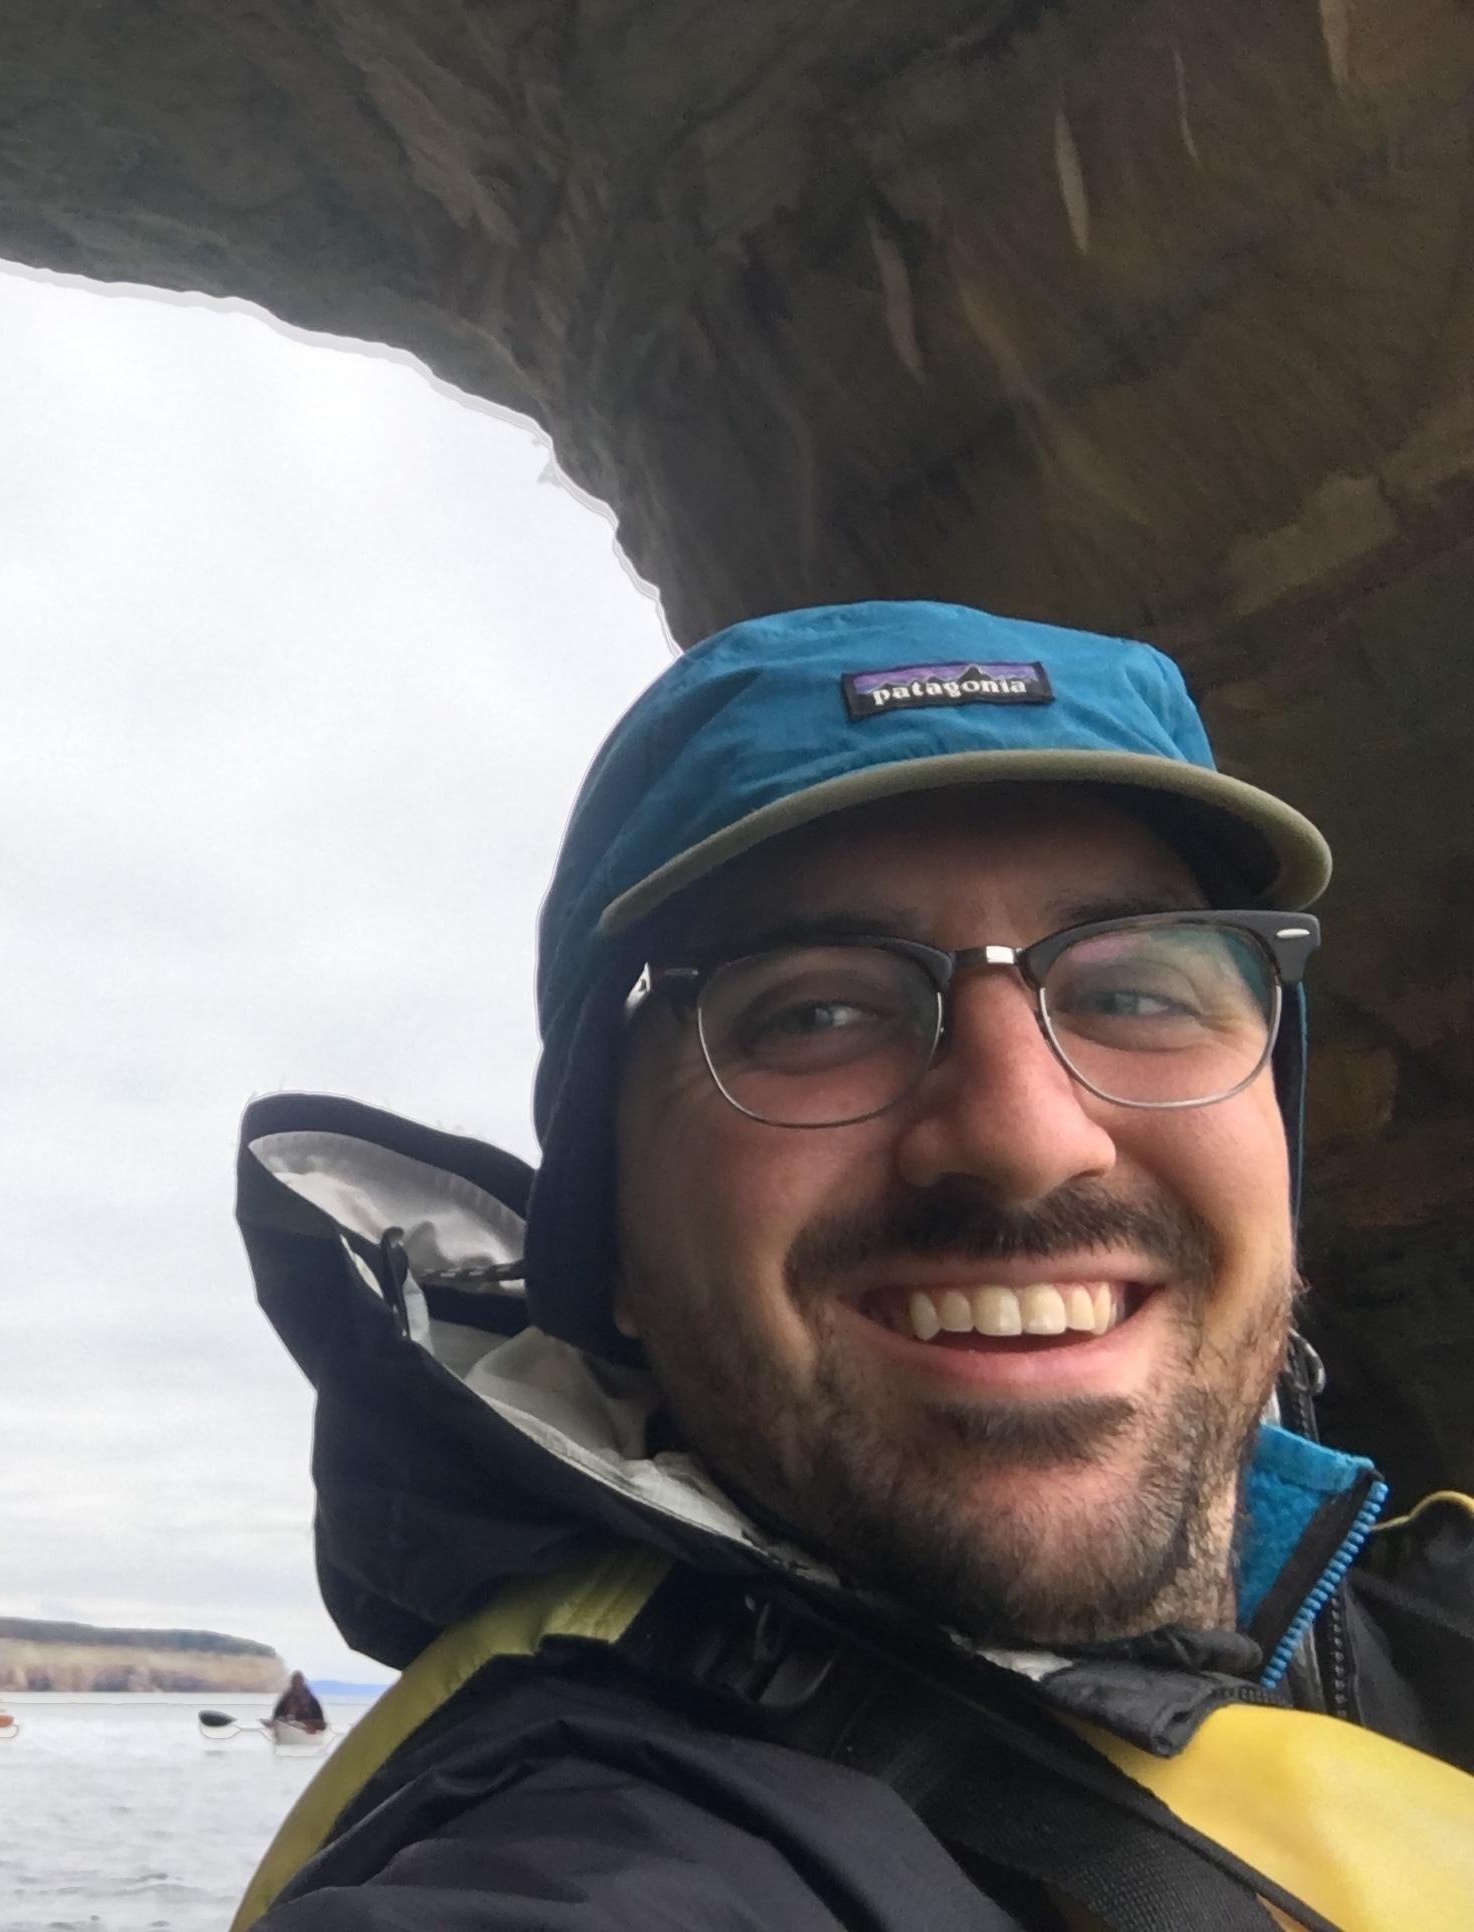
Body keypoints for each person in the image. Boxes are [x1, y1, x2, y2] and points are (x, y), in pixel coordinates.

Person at [229, 603, 1474, 1930]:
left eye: (1134, 993)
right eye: (817, 1010)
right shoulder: (595, 1860)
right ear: (618, 1248)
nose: (1023, 1135)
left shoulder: (1418, 1607)